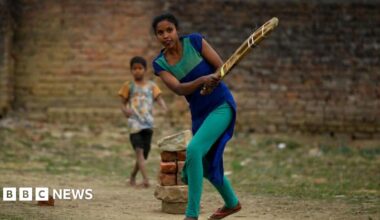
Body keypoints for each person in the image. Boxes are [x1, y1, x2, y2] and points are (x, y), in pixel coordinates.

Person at [151, 13, 241, 220]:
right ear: (156, 36)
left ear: (177, 30)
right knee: (208, 166)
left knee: (193, 150)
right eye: (160, 32)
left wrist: (214, 79)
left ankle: (191, 215)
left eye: (169, 30)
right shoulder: (160, 64)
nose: (166, 35)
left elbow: (221, 67)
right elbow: (179, 89)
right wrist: (202, 80)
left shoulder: (195, 42)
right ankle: (232, 203)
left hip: (221, 106)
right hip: (199, 114)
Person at [118, 56, 167, 188]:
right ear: (131, 70)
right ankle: (146, 180)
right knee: (139, 151)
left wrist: (163, 107)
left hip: (148, 124)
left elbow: (159, 98)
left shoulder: (152, 86)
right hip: (134, 123)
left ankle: (133, 177)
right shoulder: (128, 86)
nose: (137, 71)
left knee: (144, 154)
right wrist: (125, 111)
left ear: (145, 70)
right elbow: (122, 103)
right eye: (134, 68)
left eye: (140, 68)